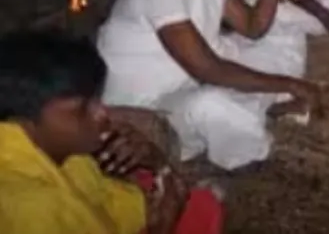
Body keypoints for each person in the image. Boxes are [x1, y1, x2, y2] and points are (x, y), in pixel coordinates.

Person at [97, 0, 320, 171]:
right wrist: (289, 84)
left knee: (286, 34)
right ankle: (250, 130)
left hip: (193, 81)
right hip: (149, 111)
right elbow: (207, 69)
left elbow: (251, 27)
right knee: (210, 104)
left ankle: (255, 106)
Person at [0, 30, 223, 233]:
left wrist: (156, 164)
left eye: (95, 100)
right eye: (82, 109)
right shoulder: (31, 210)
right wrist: (163, 226)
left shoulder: (58, 151)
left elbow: (114, 204)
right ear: (24, 121)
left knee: (201, 206)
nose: (102, 113)